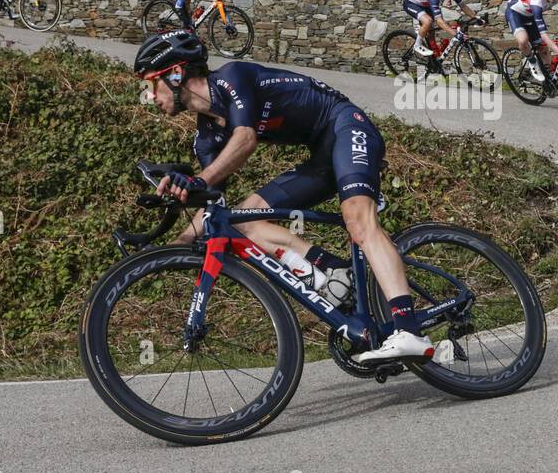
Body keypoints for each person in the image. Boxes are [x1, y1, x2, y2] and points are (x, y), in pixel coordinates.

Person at [132, 29, 434, 362]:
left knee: (358, 222)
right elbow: (213, 202)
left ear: (175, 73)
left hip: (345, 126)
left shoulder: (232, 78)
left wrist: (198, 179)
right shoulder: (206, 137)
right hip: (320, 156)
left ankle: (408, 330)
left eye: (150, 84)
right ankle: (334, 271)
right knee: (244, 219)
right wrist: (172, 247)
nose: (149, 97)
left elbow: (245, 139)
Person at [402, 0, 481, 56]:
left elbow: (463, 6)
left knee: (431, 31)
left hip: (424, 2)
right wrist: (455, 34)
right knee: (428, 21)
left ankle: (433, 58)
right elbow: (439, 22)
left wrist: (476, 17)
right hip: (411, 2)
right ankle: (417, 45)